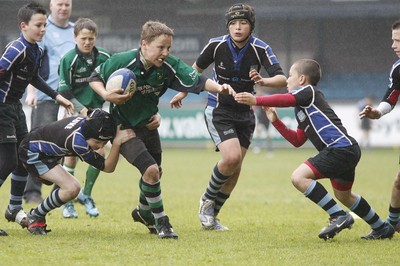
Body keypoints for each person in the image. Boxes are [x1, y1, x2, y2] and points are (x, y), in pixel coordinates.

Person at [89, 20, 235, 239]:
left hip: (148, 124)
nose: (165, 53)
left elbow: (198, 80)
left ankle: (143, 212)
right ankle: (162, 223)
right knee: (151, 171)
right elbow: (94, 77)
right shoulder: (122, 61)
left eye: (168, 48)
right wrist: (106, 95)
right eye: (160, 47)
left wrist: (220, 88)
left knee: (155, 174)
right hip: (124, 129)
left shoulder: (169, 66)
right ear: (144, 44)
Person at [235, 58, 395, 240]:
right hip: (346, 149)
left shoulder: (308, 92)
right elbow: (297, 140)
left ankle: (338, 215)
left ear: (302, 79)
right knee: (344, 196)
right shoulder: (302, 107)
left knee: (299, 177)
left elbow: (286, 99)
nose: (287, 80)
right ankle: (381, 227)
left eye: (290, 76)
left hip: (339, 149)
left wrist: (256, 99)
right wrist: (275, 121)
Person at [170, 3, 286, 230]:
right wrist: (183, 91)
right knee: (231, 158)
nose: (238, 27)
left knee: (236, 168)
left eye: (243, 23)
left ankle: (212, 217)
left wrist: (263, 81)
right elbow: (195, 71)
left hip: (245, 111)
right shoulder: (216, 45)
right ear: (228, 26)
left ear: (251, 26)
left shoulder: (261, 48)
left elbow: (282, 79)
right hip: (218, 108)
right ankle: (206, 201)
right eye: (233, 23)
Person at [0, 2, 73, 236]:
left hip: (16, 109)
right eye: (38, 25)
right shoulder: (15, 49)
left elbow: (34, 79)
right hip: (2, 109)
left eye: (44, 25)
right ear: (24, 26)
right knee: (7, 162)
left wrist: (57, 96)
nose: (43, 29)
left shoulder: (38, 50)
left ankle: (13, 208)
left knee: (25, 156)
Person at [19, 109, 135, 235]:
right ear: (87, 135)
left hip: (42, 148)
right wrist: (117, 143)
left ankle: (26, 213)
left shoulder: (89, 122)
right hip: (33, 154)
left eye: (104, 142)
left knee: (71, 187)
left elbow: (93, 112)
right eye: (97, 142)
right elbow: (108, 167)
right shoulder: (78, 143)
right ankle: (35, 216)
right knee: (72, 188)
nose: (101, 146)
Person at [57, 17, 111, 218]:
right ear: (75, 37)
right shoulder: (68, 59)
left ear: (95, 37)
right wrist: (85, 112)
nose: (87, 42)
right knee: (71, 155)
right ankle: (67, 202)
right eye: (83, 38)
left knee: (100, 154)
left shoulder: (105, 57)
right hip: (74, 111)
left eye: (91, 38)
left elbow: (113, 82)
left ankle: (86, 195)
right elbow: (64, 92)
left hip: (97, 114)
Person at [24, 0, 75, 206]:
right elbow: (32, 63)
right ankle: (32, 192)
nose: (63, 8)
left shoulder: (75, 31)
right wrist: (31, 92)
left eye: (67, 4)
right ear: (51, 6)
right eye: (59, 4)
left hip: (70, 97)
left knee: (66, 143)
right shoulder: (43, 29)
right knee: (37, 143)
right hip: (46, 97)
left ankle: (64, 190)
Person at [359, 19, 400, 233]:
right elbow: (391, 97)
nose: (394, 45)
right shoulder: (398, 69)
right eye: (393, 40)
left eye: (398, 41)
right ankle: (392, 225)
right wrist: (378, 111)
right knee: (398, 182)